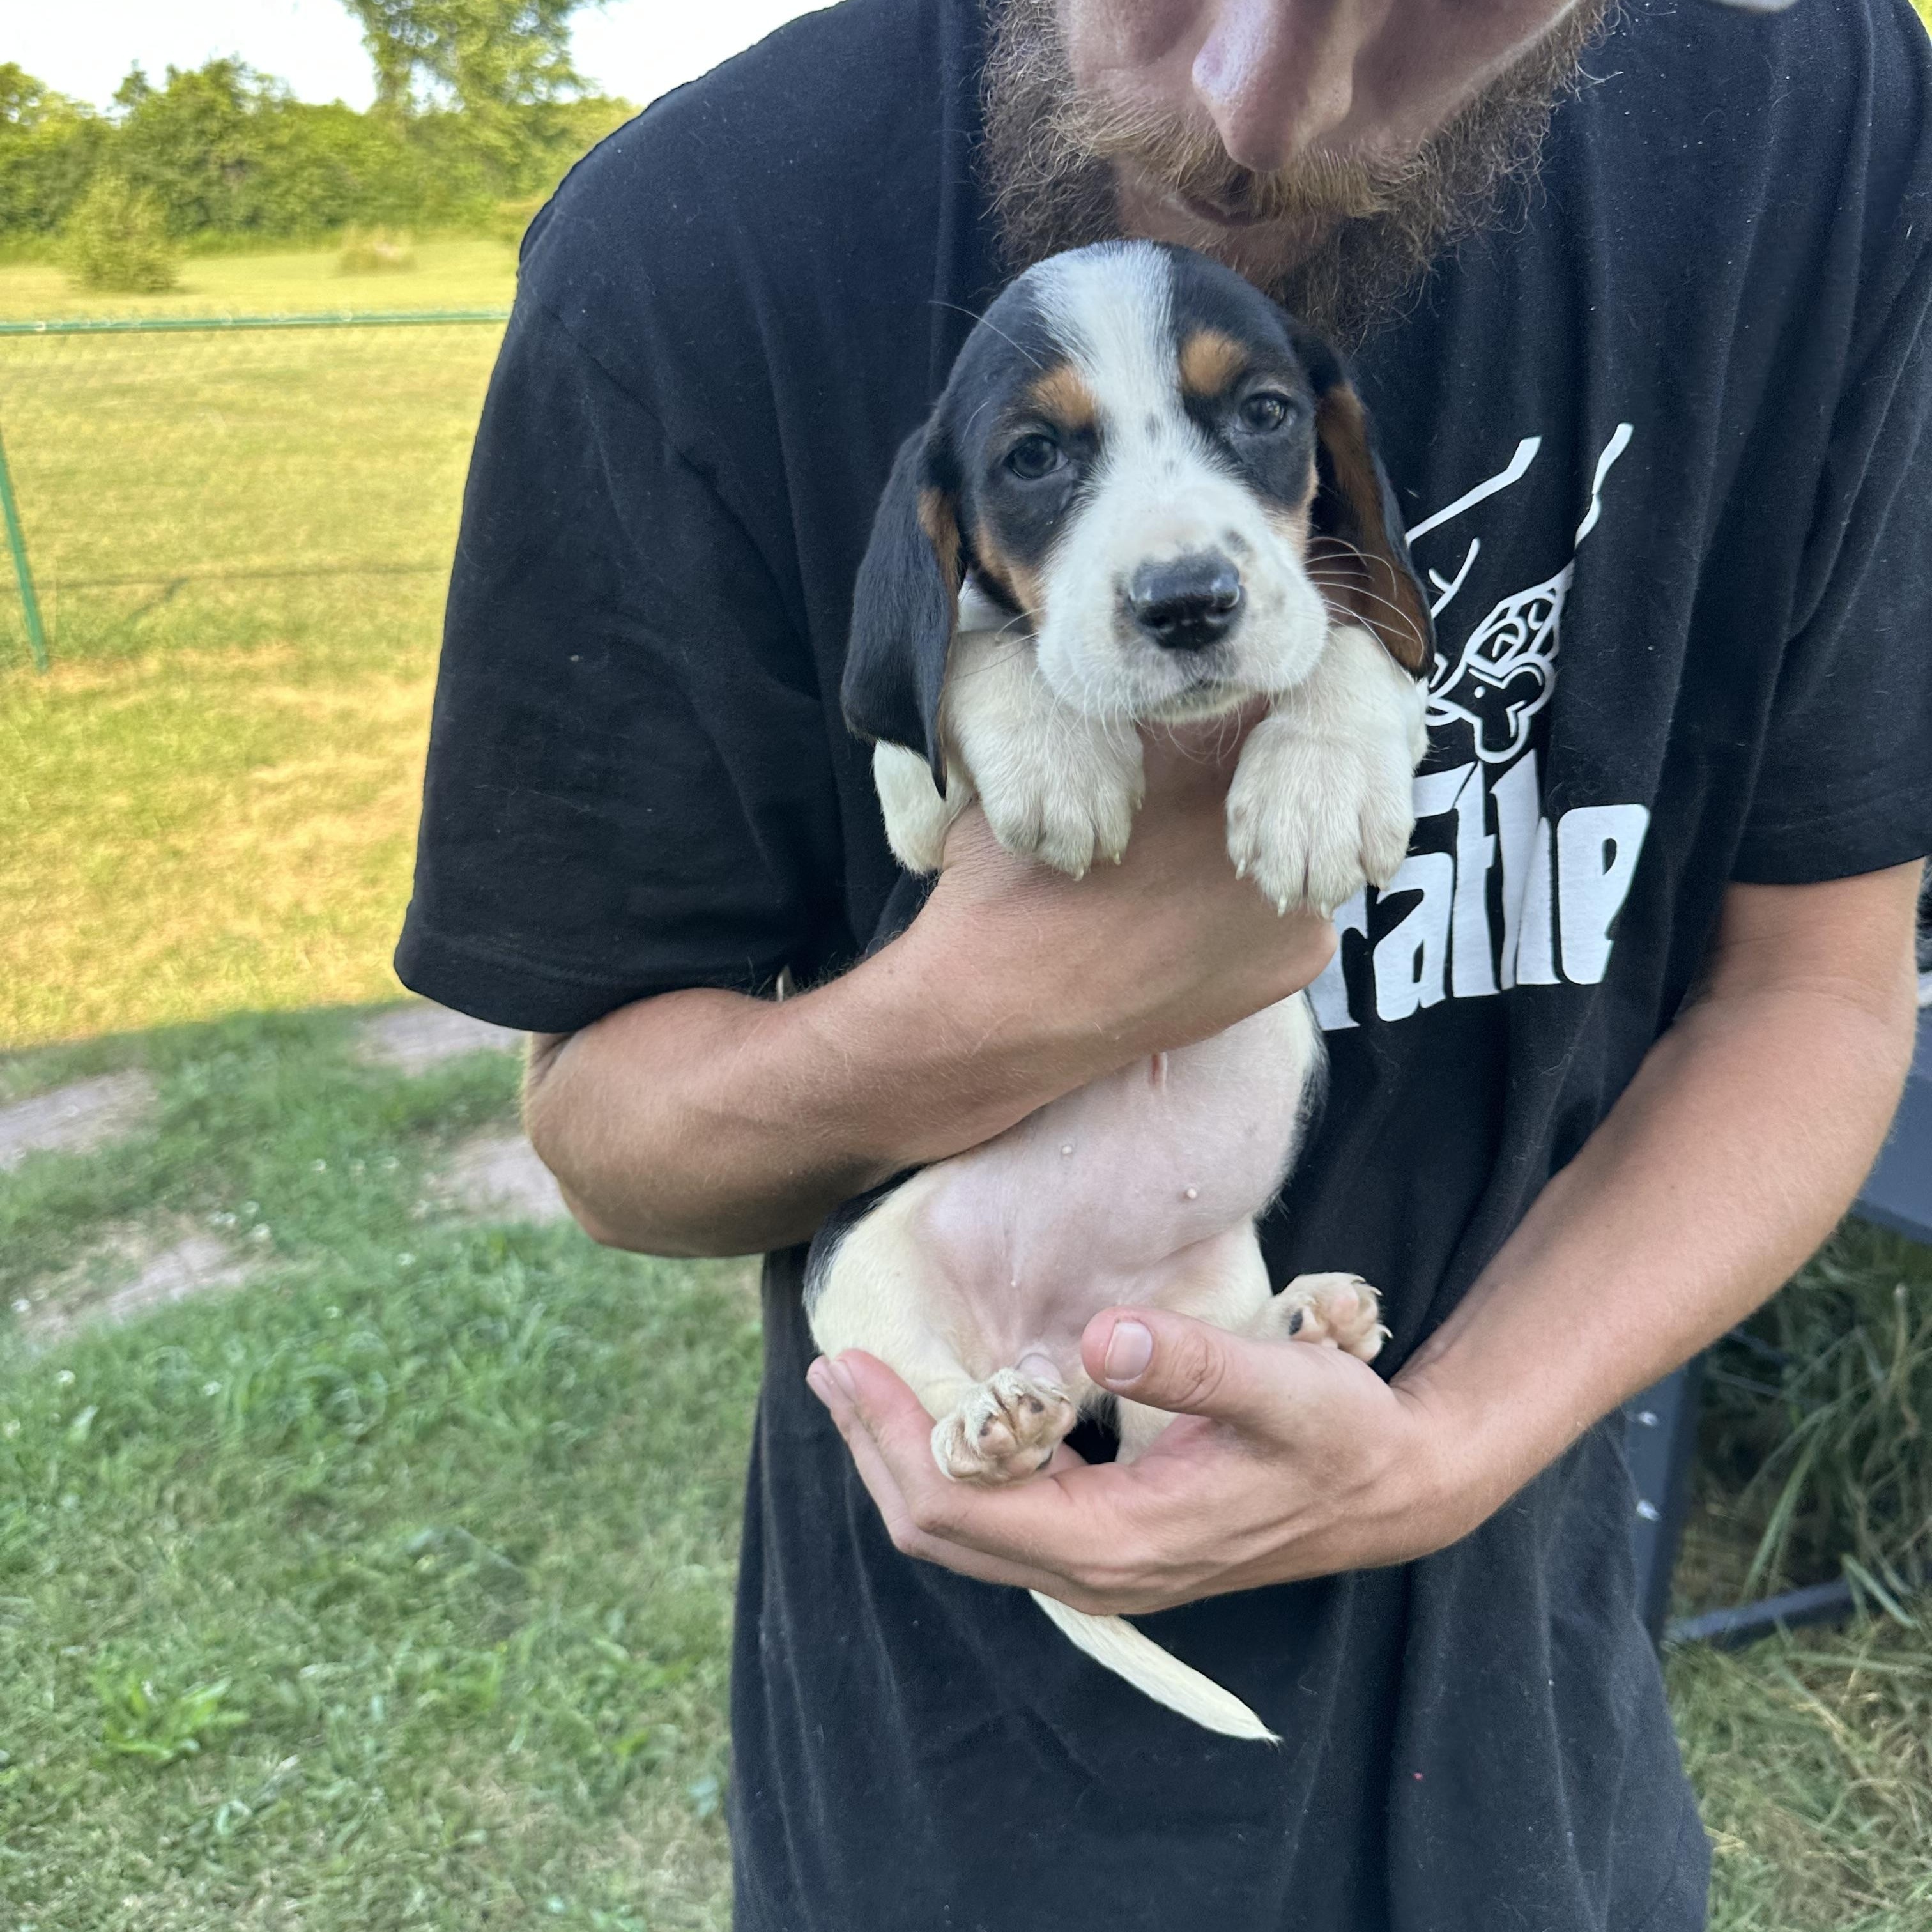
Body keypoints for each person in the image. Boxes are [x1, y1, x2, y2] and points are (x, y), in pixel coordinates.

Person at [395, 0, 1932, 1923]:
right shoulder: (687, 251)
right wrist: (992, 1006)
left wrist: (1442, 1449)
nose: (1259, 110)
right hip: (944, 1751)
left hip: (1529, 1722)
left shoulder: (1839, 125)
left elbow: (1817, 983)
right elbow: (606, 1131)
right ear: (959, 530)